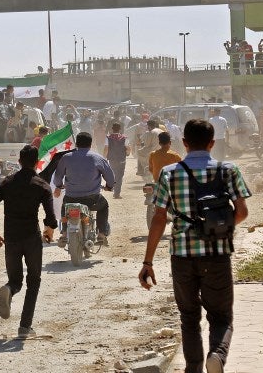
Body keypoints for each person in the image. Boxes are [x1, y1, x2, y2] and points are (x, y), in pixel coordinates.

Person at [139, 119, 250, 373]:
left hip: (182, 256)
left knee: (189, 319)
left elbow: (158, 218)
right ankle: (217, 356)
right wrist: (220, 228)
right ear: (212, 143)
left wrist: (147, 262)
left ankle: (193, 368)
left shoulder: (169, 173)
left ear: (184, 143)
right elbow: (242, 212)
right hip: (217, 254)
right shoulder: (228, 170)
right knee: (221, 317)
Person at [0, 145, 56, 339]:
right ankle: (25, 327)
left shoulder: (7, 183)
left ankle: (8, 289)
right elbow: (50, 217)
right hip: (32, 239)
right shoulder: (41, 185)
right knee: (34, 282)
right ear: (36, 162)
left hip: (11, 239)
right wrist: (48, 231)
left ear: (19, 162)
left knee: (15, 280)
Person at [54, 132, 115, 246]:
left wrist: (59, 185)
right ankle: (101, 235)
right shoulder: (98, 158)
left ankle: (64, 235)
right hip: (92, 200)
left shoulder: (66, 157)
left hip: (71, 198)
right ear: (90, 144)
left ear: (76, 143)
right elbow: (110, 178)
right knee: (104, 206)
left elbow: (58, 177)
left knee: (65, 206)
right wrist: (109, 187)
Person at [103, 122, 130, 199]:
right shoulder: (124, 138)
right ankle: (117, 193)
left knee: (113, 173)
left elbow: (106, 149)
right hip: (121, 159)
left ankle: (113, 188)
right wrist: (127, 154)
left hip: (112, 159)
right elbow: (128, 148)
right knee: (119, 176)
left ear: (112, 129)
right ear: (120, 129)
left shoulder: (108, 137)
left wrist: (104, 157)